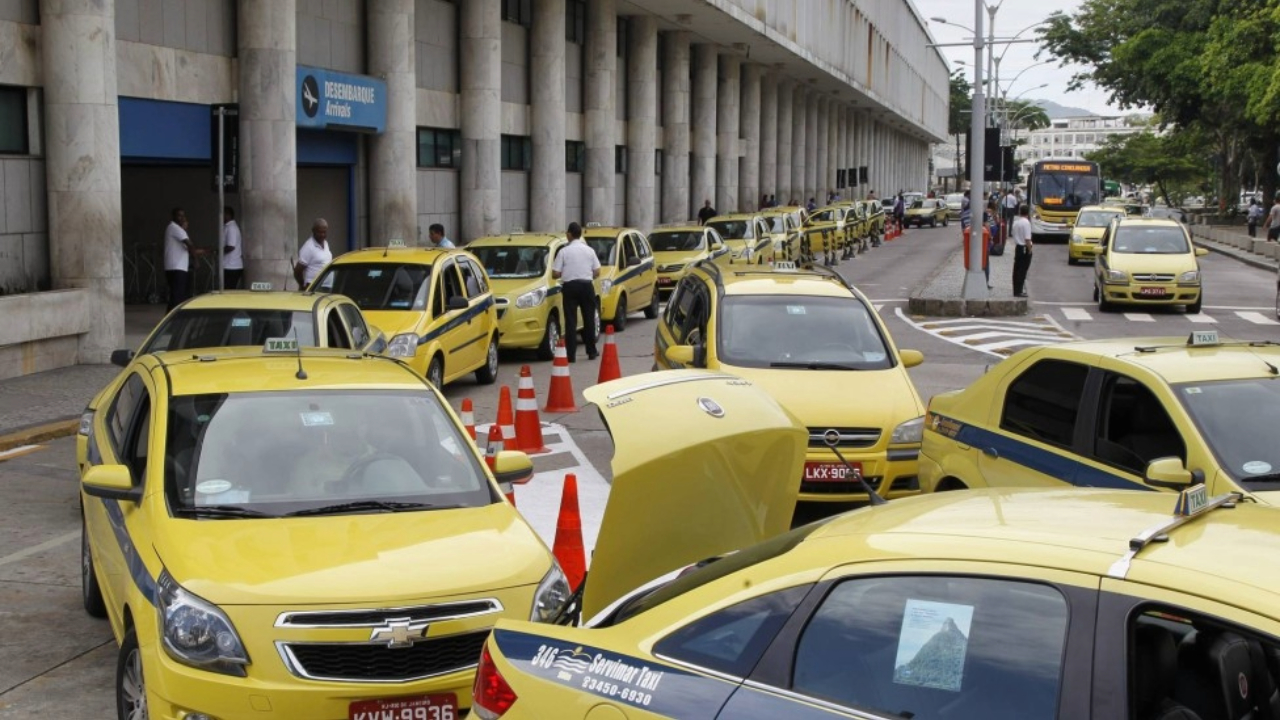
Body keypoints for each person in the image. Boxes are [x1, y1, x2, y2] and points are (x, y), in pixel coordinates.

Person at [551, 222, 601, 362]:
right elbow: (597, 271)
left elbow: (555, 273)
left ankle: (571, 355)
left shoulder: (563, 251)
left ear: (569, 234)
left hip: (570, 288)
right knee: (589, 319)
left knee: (570, 321)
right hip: (586, 286)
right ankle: (591, 351)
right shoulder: (589, 250)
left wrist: (563, 273)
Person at [164, 207, 200, 311]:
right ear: (174, 216)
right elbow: (190, 245)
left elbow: (188, 248)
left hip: (178, 267)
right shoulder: (175, 228)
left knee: (179, 296)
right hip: (176, 268)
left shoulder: (178, 230)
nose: (182, 218)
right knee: (177, 297)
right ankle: (169, 319)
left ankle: (171, 318)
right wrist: (196, 260)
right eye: (179, 215)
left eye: (183, 215)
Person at [294, 218, 333, 290]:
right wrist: (302, 285)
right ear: (313, 231)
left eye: (324, 232)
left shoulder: (325, 243)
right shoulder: (308, 247)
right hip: (314, 287)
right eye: (320, 232)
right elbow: (297, 270)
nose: (322, 235)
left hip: (327, 286)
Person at [1011, 203, 1033, 297]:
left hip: (1018, 247)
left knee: (1016, 269)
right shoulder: (1026, 223)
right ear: (1027, 213)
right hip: (1024, 247)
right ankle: (1019, 291)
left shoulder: (1016, 222)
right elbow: (1027, 239)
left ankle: (1016, 289)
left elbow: (1013, 234)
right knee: (1023, 269)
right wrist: (1030, 250)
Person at [222, 206, 243, 290]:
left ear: (228, 215)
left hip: (232, 266)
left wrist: (217, 251)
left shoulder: (231, 228)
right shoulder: (227, 227)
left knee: (228, 291)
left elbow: (231, 246)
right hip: (229, 265)